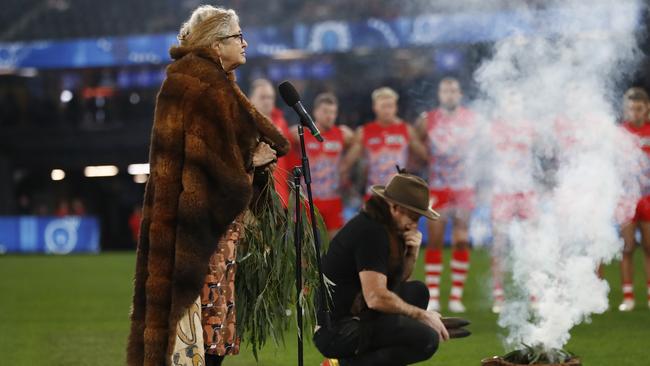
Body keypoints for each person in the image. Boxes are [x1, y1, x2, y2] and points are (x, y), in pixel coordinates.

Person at [126, 6, 290, 366]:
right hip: (199, 233)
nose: (245, 43)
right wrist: (254, 162)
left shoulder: (195, 81)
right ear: (217, 45)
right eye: (237, 36)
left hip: (191, 226)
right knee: (198, 339)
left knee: (193, 336)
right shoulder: (205, 87)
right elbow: (210, 170)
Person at [314, 172, 449, 365]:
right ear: (394, 207)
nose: (415, 223)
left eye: (419, 218)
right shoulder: (372, 232)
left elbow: (395, 282)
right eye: (413, 215)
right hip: (336, 330)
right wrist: (422, 315)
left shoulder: (384, 227)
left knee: (417, 292)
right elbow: (376, 297)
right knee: (425, 339)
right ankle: (342, 363)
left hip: (358, 313)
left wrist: (412, 253)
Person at [415, 77, 476, 313]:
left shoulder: (471, 118)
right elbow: (414, 141)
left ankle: (456, 296)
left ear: (460, 94)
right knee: (436, 239)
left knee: (461, 238)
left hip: (464, 186)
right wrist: (426, 158)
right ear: (439, 94)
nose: (449, 94)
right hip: (439, 187)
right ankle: (434, 295)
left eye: (453, 90)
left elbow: (483, 144)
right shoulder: (428, 119)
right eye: (445, 90)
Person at [341, 87, 428, 201]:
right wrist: (349, 189)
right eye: (383, 106)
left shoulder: (406, 130)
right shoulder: (364, 132)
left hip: (399, 196)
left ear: (396, 107)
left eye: (390, 106)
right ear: (375, 107)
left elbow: (427, 158)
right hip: (373, 195)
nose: (387, 110)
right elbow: (346, 165)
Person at [289, 92, 354, 238]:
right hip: (307, 199)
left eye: (333, 112)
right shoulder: (300, 133)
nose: (329, 116)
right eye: (325, 111)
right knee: (306, 248)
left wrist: (345, 167)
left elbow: (359, 144)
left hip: (333, 200)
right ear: (315, 112)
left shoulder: (343, 135)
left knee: (336, 247)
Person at [619, 87, 650, 312]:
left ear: (647, 108)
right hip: (626, 198)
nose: (635, 113)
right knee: (628, 247)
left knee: (649, 247)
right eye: (631, 109)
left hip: (647, 197)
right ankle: (628, 295)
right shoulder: (619, 133)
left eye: (639, 109)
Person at [249, 78, 292, 205]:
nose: (267, 101)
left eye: (270, 97)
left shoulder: (281, 122)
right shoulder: (244, 124)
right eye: (263, 97)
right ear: (250, 98)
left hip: (281, 196)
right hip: (256, 199)